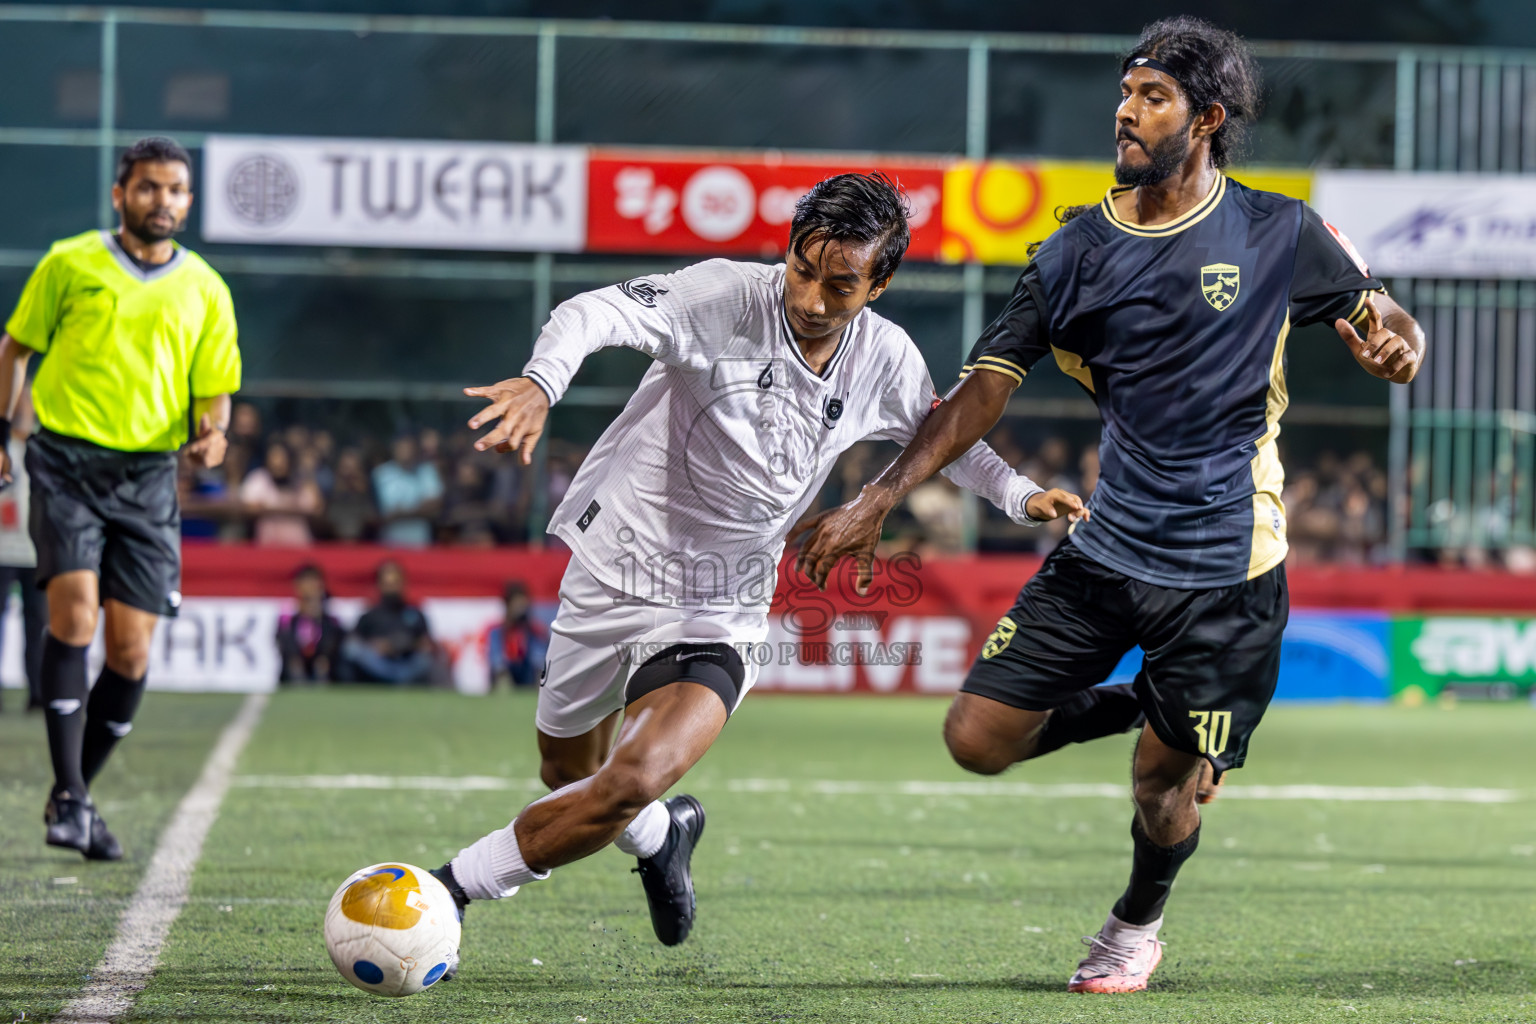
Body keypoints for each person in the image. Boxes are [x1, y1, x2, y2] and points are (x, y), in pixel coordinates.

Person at [795, 18, 1424, 995]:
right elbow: (978, 393)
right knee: (976, 739)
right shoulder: (1071, 254)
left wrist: (1398, 341)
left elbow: (1381, 315)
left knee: (1161, 786)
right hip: (1105, 552)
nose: (1126, 111)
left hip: (1228, 572)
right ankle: (1167, 709)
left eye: (1154, 96)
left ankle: (1136, 922)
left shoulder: (1278, 230)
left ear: (1207, 118)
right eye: (1126, 92)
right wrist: (880, 494)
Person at [427, 172, 1084, 970]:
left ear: (879, 284)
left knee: (631, 776)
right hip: (612, 569)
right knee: (569, 772)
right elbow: (592, 311)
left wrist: (1020, 496)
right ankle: (666, 836)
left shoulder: (883, 355)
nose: (810, 297)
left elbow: (943, 439)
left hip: (721, 601)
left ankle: (447, 891)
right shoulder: (721, 296)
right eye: (802, 270)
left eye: (840, 285)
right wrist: (542, 381)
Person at [0, 135, 241, 859]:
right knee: (73, 616)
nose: (161, 200)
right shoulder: (68, 261)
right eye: (147, 187)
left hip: (147, 478)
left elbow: (216, 392)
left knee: (132, 654)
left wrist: (215, 437)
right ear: (119, 194)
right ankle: (71, 796)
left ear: (189, 202)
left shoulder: (206, 288)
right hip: (66, 461)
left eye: (174, 190)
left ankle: (74, 796)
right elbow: (15, 348)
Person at [0, 389, 46, 712]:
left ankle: (39, 692)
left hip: (35, 551)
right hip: (2, 550)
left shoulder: (40, 449)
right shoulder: (7, 449)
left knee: (39, 625)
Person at [342, 560, 436, 685]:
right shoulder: (369, 616)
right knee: (351, 649)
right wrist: (376, 646)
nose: (392, 589)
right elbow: (354, 643)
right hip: (377, 665)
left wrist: (405, 645)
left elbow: (426, 644)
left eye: (395, 583)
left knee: (425, 659)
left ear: (403, 584)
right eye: (387, 584)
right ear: (379, 585)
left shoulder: (416, 615)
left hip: (407, 665)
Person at [239, 440, 322, 546]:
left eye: (281, 457)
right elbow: (248, 507)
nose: (277, 462)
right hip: (268, 545)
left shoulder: (300, 481)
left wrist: (309, 474)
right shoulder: (258, 479)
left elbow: (315, 508)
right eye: (273, 457)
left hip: (299, 545)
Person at [276, 564, 343, 684]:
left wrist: (319, 618)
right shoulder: (288, 612)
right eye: (306, 582)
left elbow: (335, 637)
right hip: (295, 660)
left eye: (314, 582)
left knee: (323, 664)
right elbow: (283, 638)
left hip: (320, 660)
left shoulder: (329, 612)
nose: (311, 586)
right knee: (294, 664)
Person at [373, 434, 442, 547]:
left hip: (420, 540)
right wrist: (417, 509)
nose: (405, 452)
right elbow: (380, 511)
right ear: (394, 449)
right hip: (389, 541)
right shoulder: (380, 473)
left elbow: (434, 506)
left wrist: (401, 513)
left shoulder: (426, 471)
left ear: (415, 450)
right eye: (401, 448)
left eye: (408, 448)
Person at [486, 581, 548, 690]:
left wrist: (526, 628)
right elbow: (496, 657)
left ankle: (540, 686)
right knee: (497, 656)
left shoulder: (533, 631)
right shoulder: (498, 630)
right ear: (508, 605)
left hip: (528, 671)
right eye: (517, 605)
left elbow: (538, 657)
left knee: (537, 648)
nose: (521, 610)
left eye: (523, 606)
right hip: (506, 670)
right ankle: (502, 686)